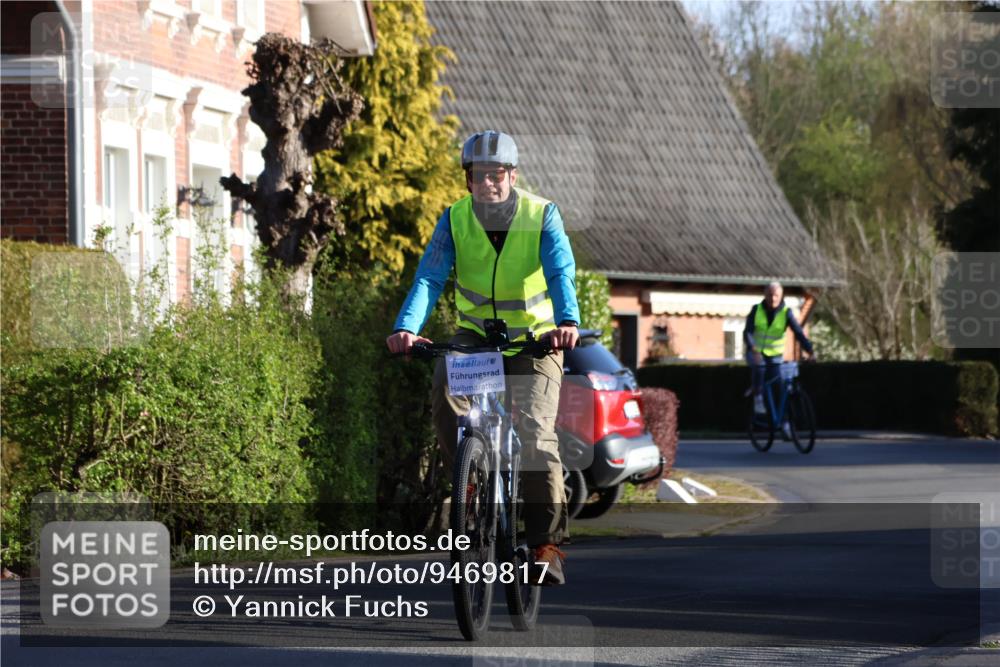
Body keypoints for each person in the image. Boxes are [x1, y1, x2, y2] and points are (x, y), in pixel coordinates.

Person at [385, 131, 580, 585]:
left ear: (512, 176)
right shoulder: (454, 219)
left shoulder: (541, 215)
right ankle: (471, 480)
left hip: (536, 342)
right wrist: (406, 328)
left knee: (534, 430)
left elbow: (559, 272)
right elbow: (430, 278)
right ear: (468, 179)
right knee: (445, 395)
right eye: (478, 175)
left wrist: (567, 321)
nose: (488, 183)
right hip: (476, 337)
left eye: (497, 174)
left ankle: (545, 544)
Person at [744, 282, 815, 431]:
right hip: (756, 352)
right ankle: (757, 396)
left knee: (779, 386)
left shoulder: (786, 313)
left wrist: (810, 351)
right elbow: (748, 332)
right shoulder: (756, 310)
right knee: (760, 368)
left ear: (781, 296)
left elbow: (798, 333)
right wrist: (753, 349)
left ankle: (784, 422)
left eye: (776, 295)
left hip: (775, 355)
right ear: (765, 294)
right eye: (770, 294)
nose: (773, 298)